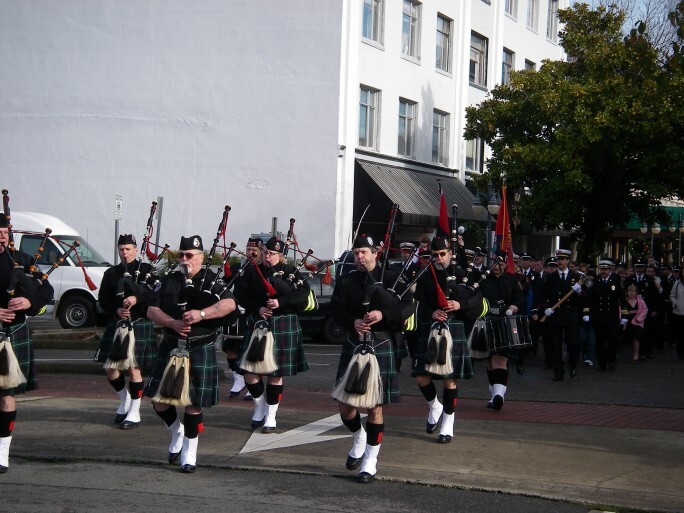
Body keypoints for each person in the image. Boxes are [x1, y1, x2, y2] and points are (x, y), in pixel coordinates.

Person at [144, 235, 238, 473]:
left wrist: (201, 314)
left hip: (199, 346)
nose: (186, 260)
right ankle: (177, 431)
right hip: (172, 344)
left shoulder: (212, 280)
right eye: (182, 255)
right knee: (158, 401)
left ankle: (190, 452)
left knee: (193, 404)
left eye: (191, 256)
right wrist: (172, 323)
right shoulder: (169, 281)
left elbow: (229, 305)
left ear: (201, 257)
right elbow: (151, 309)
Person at [330, 234, 412, 483]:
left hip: (381, 342)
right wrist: (351, 321)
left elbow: (407, 308)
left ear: (376, 253)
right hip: (354, 343)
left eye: (364, 252)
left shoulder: (391, 278)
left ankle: (370, 460)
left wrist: (383, 314)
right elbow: (336, 309)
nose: (359, 257)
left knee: (375, 407)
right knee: (345, 404)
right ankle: (359, 437)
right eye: (356, 253)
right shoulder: (347, 280)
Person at [234, 236, 310, 434]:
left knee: (275, 374)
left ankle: (271, 416)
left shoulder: (292, 272)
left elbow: (303, 295)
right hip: (257, 323)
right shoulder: (252, 270)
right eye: (266, 253)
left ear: (281, 255)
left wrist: (281, 303)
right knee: (250, 373)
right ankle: (260, 406)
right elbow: (240, 294)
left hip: (282, 324)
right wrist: (257, 308)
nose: (268, 257)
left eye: (273, 254)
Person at [412, 236, 485, 441]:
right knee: (421, 377)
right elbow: (419, 303)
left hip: (454, 328)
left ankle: (448, 423)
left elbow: (478, 300)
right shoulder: (426, 275)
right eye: (435, 255)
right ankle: (435, 406)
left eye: (442, 254)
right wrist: (431, 312)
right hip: (431, 328)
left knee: (449, 380)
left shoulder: (463, 274)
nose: (439, 258)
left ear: (450, 254)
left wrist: (460, 305)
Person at [0, 216, 53, 473]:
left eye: (4, 232)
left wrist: (29, 303)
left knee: (6, 395)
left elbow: (46, 291)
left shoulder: (22, 260)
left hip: (14, 332)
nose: (1, 237)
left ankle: (2, 453)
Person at [95, 234, 157, 428]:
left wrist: (137, 299)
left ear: (136, 250)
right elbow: (103, 299)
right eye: (121, 249)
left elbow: (156, 293)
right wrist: (116, 310)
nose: (124, 253)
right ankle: (125, 399)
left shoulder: (147, 270)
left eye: (128, 249)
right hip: (118, 322)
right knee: (109, 367)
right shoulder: (111, 273)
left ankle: (135, 412)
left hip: (139, 322)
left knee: (134, 368)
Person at [479, 253, 525, 410]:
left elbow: (520, 297)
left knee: (500, 359)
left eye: (500, 263)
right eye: (494, 263)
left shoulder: (512, 280)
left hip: (504, 322)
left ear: (506, 264)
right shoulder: (483, 279)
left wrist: (514, 306)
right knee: (490, 360)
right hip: (486, 321)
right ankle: (494, 394)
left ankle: (499, 395)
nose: (497, 267)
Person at [223, 237, 263, 400]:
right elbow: (226, 285)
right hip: (235, 312)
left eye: (254, 250)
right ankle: (238, 379)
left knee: (252, 353)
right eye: (248, 250)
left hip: (254, 314)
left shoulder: (263, 269)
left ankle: (252, 383)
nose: (251, 253)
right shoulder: (238, 267)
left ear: (261, 252)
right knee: (231, 348)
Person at [541, 249, 585, 381]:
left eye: (562, 259)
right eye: (558, 259)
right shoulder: (550, 277)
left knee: (573, 342)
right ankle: (558, 371)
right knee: (556, 344)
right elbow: (544, 296)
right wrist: (546, 308)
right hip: (555, 315)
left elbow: (585, 296)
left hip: (570, 314)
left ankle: (573, 364)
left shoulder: (576, 277)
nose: (560, 262)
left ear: (567, 261)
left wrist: (579, 292)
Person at [586, 260, 624, 371]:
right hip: (599, 316)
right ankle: (601, 362)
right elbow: (589, 299)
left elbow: (622, 299)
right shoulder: (595, 281)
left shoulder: (616, 281)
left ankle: (611, 361)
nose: (603, 271)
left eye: (605, 269)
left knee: (612, 339)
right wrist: (586, 312)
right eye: (602, 269)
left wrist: (625, 315)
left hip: (612, 316)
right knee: (600, 341)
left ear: (610, 269)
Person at [623, 285, 648, 363]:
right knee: (630, 338)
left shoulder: (640, 301)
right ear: (627, 292)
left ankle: (636, 355)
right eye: (630, 291)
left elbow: (645, 310)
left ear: (636, 292)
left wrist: (639, 319)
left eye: (633, 291)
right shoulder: (624, 301)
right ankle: (633, 353)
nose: (631, 293)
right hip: (627, 321)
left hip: (637, 321)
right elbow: (621, 311)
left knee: (636, 337)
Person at [669, 269, 684, 359]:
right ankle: (681, 353)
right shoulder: (677, 283)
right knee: (680, 334)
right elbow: (672, 295)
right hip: (679, 313)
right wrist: (675, 303)